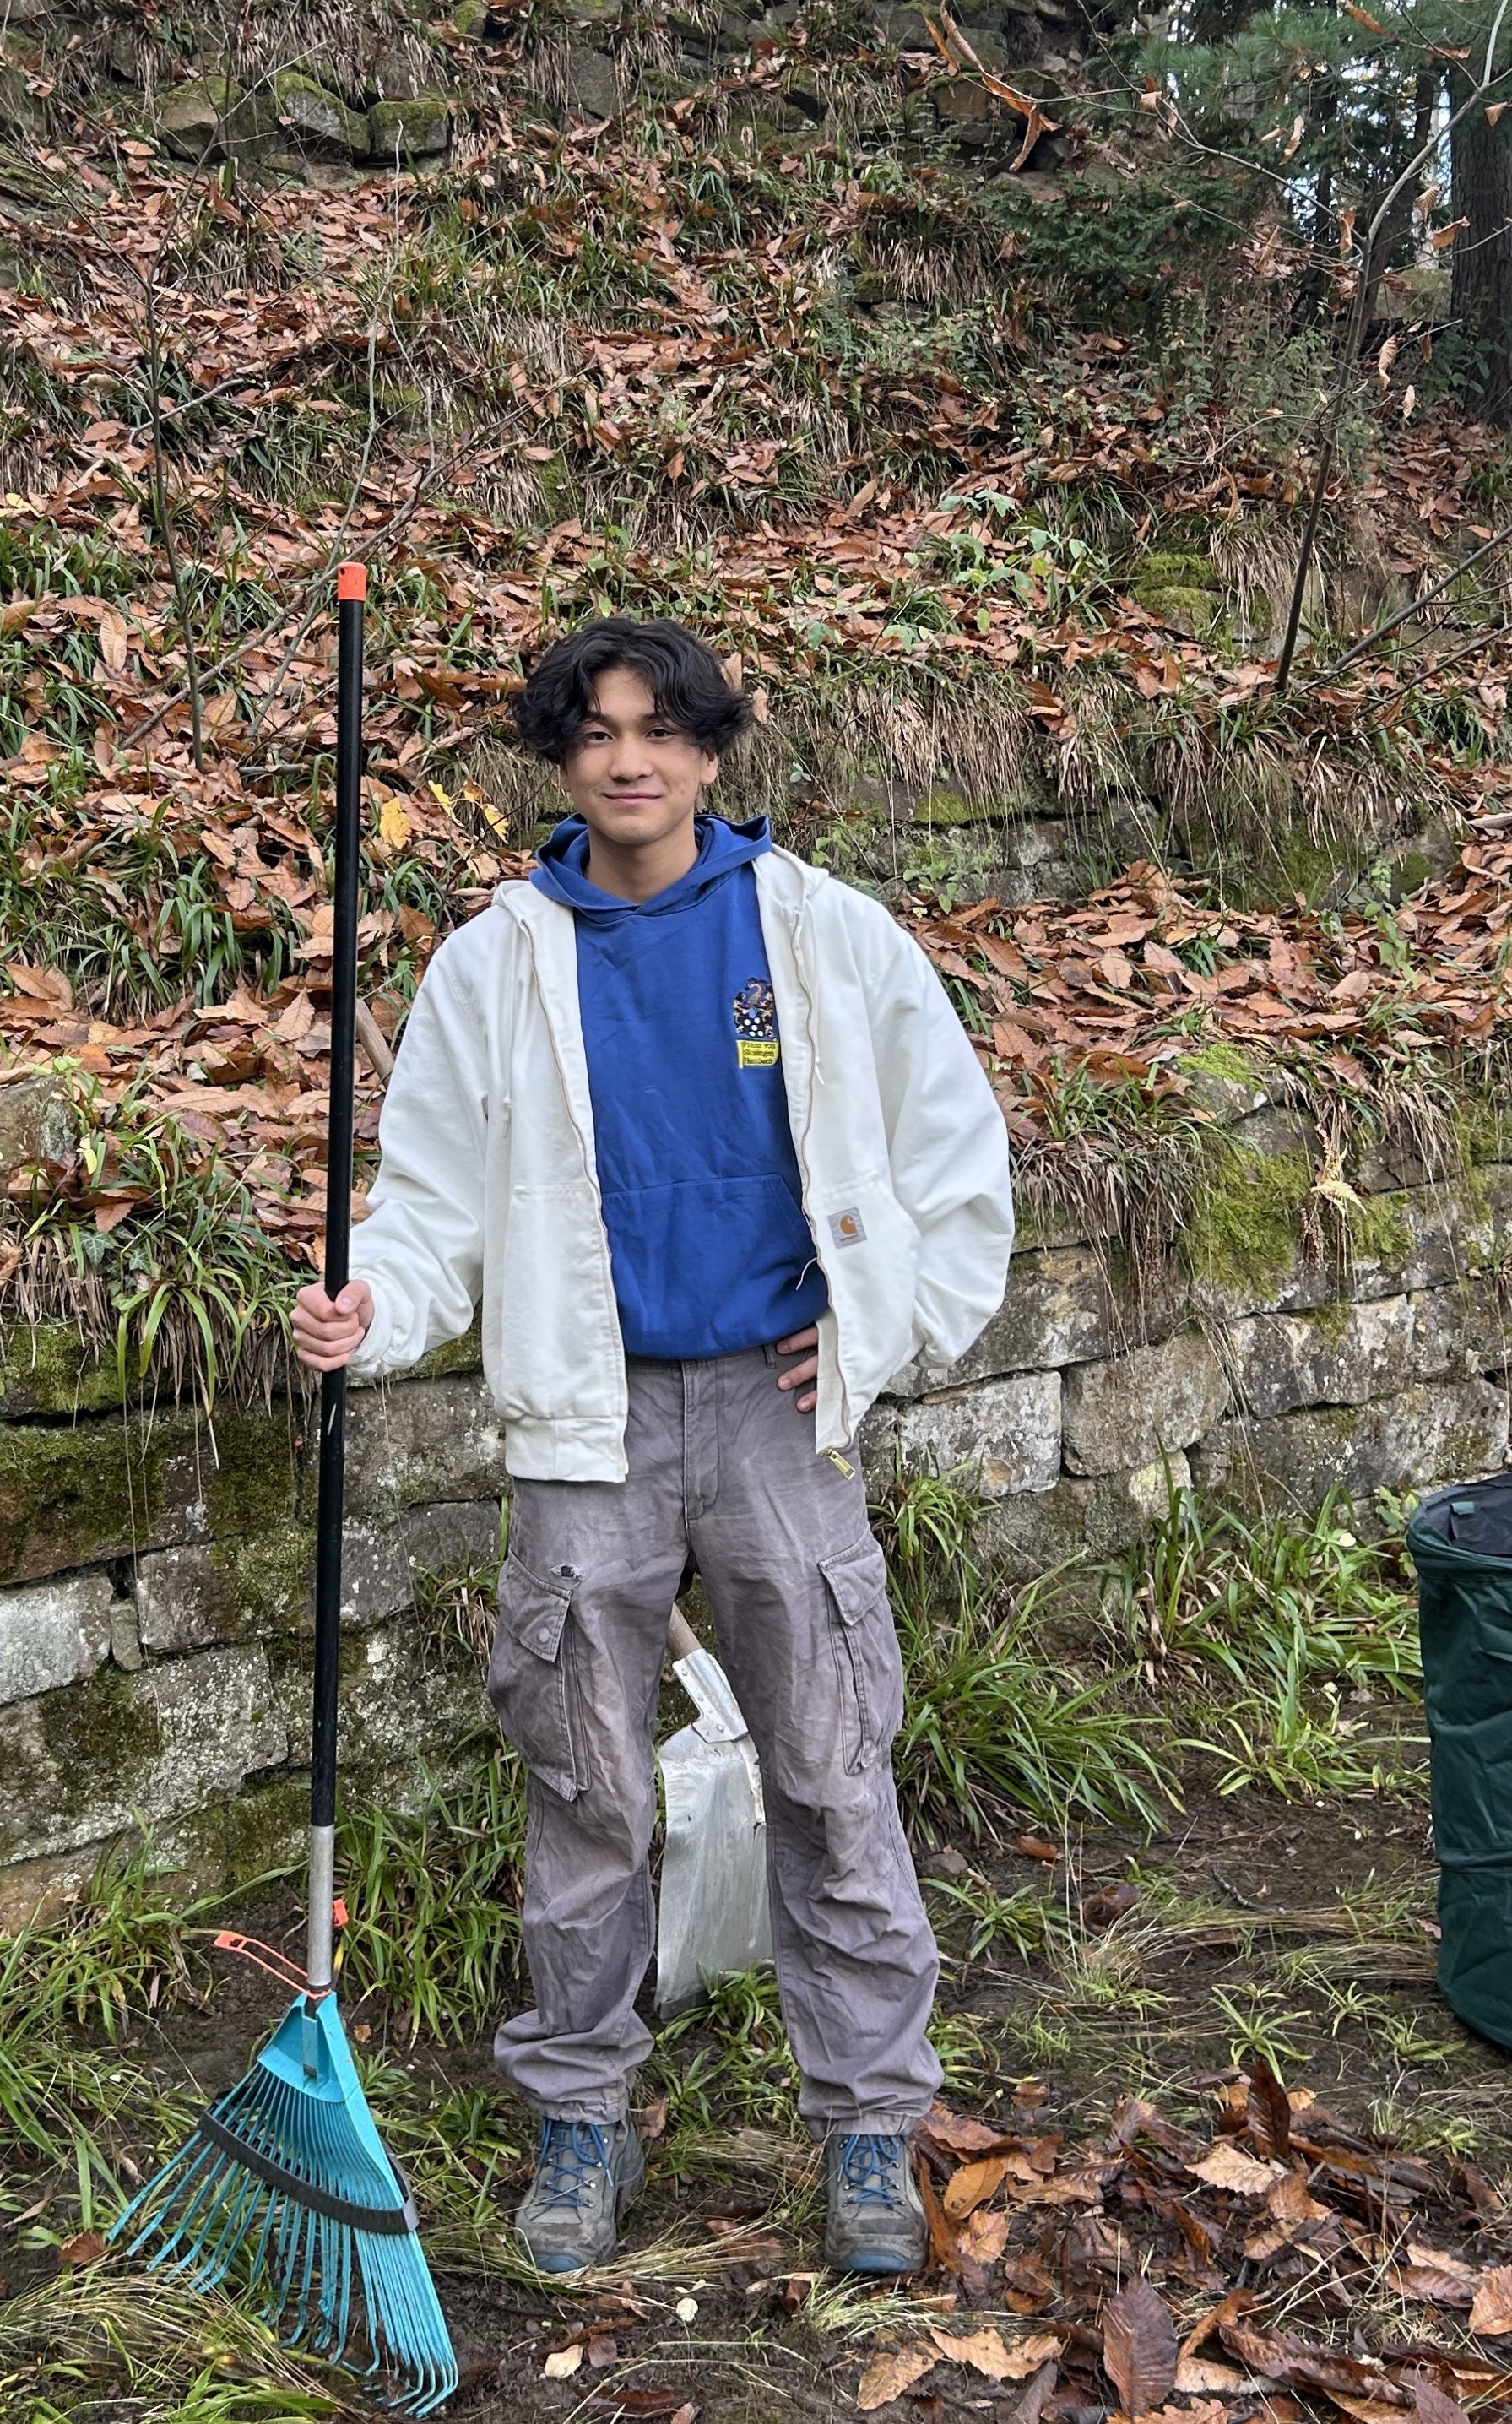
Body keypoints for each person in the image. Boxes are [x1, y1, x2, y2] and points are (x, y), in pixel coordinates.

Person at [292, 616, 1013, 2276]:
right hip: (583, 1421)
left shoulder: (822, 937)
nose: (630, 759)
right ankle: (582, 2121)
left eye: (660, 730)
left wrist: (883, 1323)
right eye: (596, 731)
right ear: (561, 758)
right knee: (589, 1789)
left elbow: (954, 1167)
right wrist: (371, 1315)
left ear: (710, 751)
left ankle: (868, 2130)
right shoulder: (495, 963)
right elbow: (430, 1218)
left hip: (776, 1416)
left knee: (833, 1775)